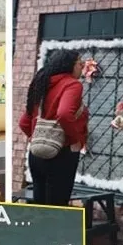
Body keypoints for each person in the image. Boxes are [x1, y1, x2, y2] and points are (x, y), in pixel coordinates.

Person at [19, 50, 88, 206]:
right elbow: (63, 114)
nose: (82, 65)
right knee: (57, 210)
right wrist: (75, 140)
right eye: (79, 62)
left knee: (41, 208)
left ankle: (39, 231)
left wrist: (38, 137)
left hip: (36, 154)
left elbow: (24, 122)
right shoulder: (72, 84)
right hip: (61, 154)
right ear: (69, 65)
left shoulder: (42, 83)